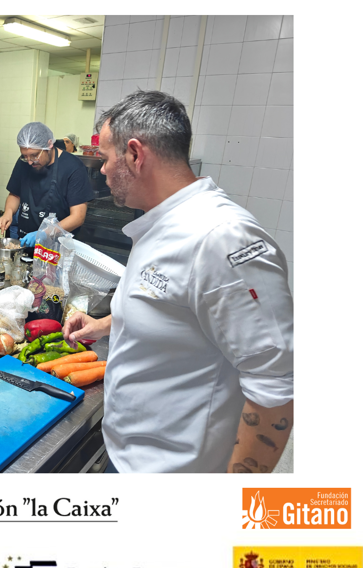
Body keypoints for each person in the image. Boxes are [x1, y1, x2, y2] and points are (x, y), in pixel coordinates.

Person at [62, 90, 294, 474]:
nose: (101, 170)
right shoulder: (158, 221)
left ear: (135, 155)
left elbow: (274, 387)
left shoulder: (223, 239)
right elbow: (170, 307)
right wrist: (103, 325)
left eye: (105, 158)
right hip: (126, 452)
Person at [0, 122, 92, 248]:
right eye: (25, 156)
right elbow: (15, 194)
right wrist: (8, 212)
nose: (29, 162)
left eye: (35, 155)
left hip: (58, 248)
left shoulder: (73, 167)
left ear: (49, 145)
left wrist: (44, 233)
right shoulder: (23, 163)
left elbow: (78, 217)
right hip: (26, 242)